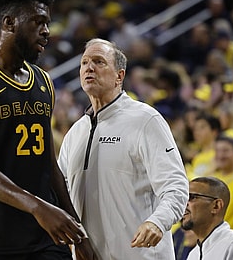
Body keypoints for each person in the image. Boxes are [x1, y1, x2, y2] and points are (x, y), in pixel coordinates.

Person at [0, 0, 96, 260]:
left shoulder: (43, 81)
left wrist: (77, 231)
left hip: (43, 237)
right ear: (9, 23)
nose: (46, 32)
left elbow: (48, 164)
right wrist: (38, 207)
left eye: (47, 23)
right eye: (37, 22)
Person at [58, 38, 189, 259]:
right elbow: (59, 195)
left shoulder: (145, 119)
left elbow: (176, 187)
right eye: (84, 62)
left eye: (99, 62)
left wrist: (158, 221)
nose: (89, 67)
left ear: (120, 76)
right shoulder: (75, 133)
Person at [181, 176, 233, 260]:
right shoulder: (193, 255)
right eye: (184, 198)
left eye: (192, 197)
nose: (184, 204)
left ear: (216, 206)